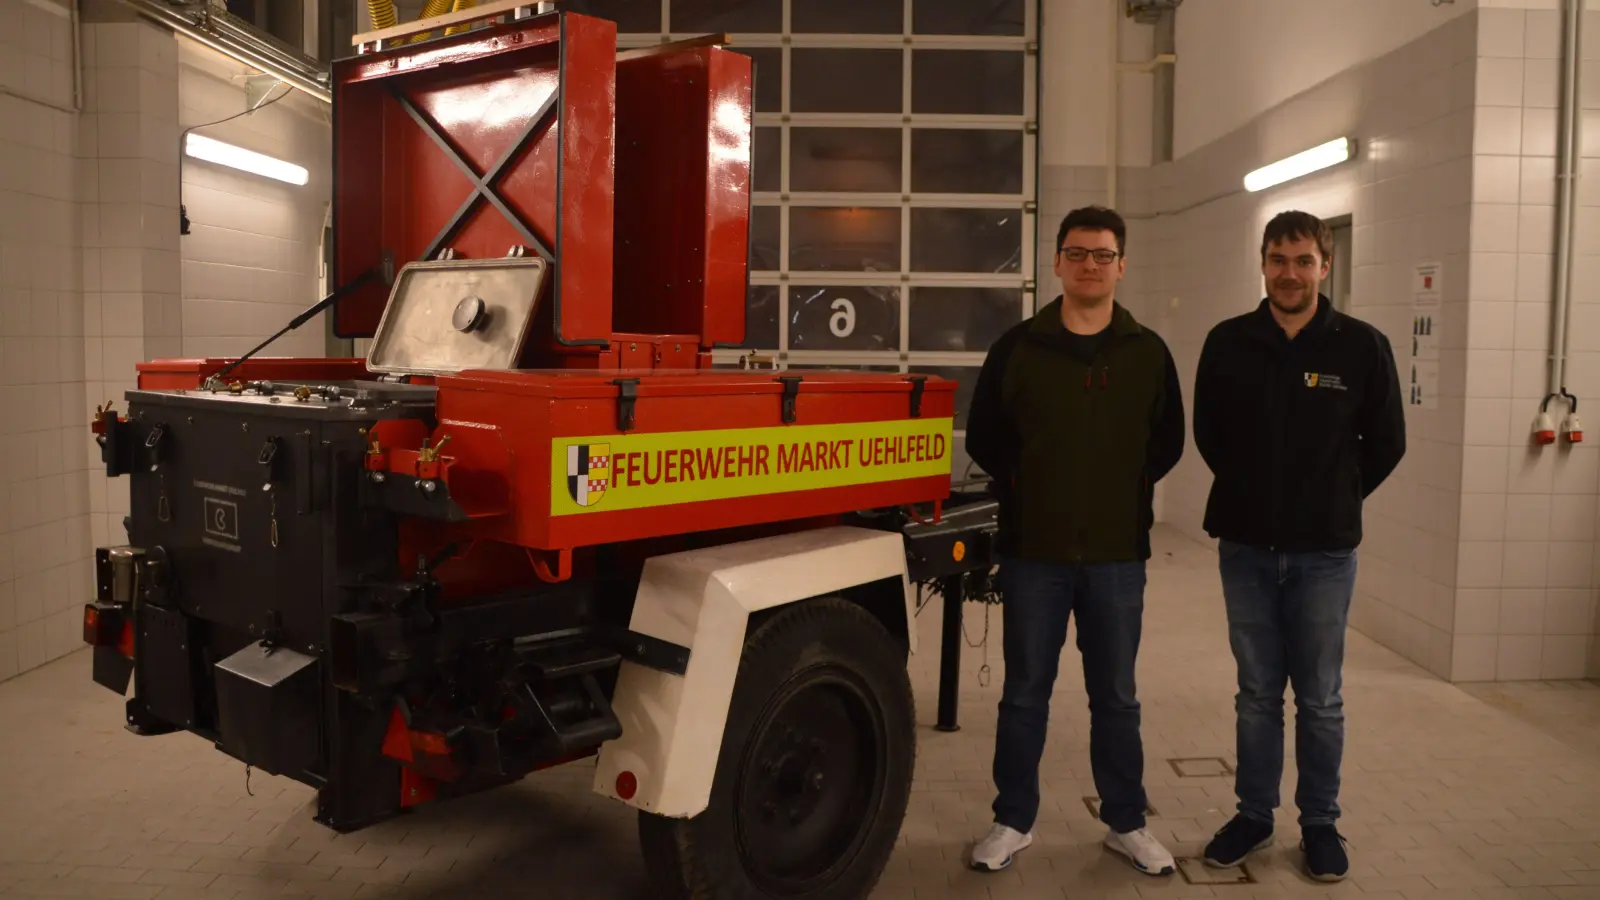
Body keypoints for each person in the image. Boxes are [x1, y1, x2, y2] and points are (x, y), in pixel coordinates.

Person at [964, 205, 1185, 876]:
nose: (1091, 264)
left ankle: (1126, 822)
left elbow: (1167, 440)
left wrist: (1117, 489)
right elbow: (985, 436)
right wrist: (1030, 485)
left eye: (1104, 254)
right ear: (1057, 261)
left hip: (1118, 556)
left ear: (1122, 265)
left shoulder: (1146, 352)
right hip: (1035, 553)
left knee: (1115, 694)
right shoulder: (1018, 348)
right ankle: (1012, 820)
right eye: (1078, 252)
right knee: (1025, 690)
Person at [1192, 210, 1405, 883]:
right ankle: (1254, 814)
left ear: (1326, 265)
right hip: (1246, 548)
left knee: (1319, 695)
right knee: (1256, 692)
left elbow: (1387, 443)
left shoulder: (1361, 348)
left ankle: (1320, 823)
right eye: (1279, 259)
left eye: (1303, 260)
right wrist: (1261, 496)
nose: (1290, 273)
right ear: (1262, 263)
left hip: (1324, 555)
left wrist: (1332, 498)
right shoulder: (1228, 343)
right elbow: (1210, 436)